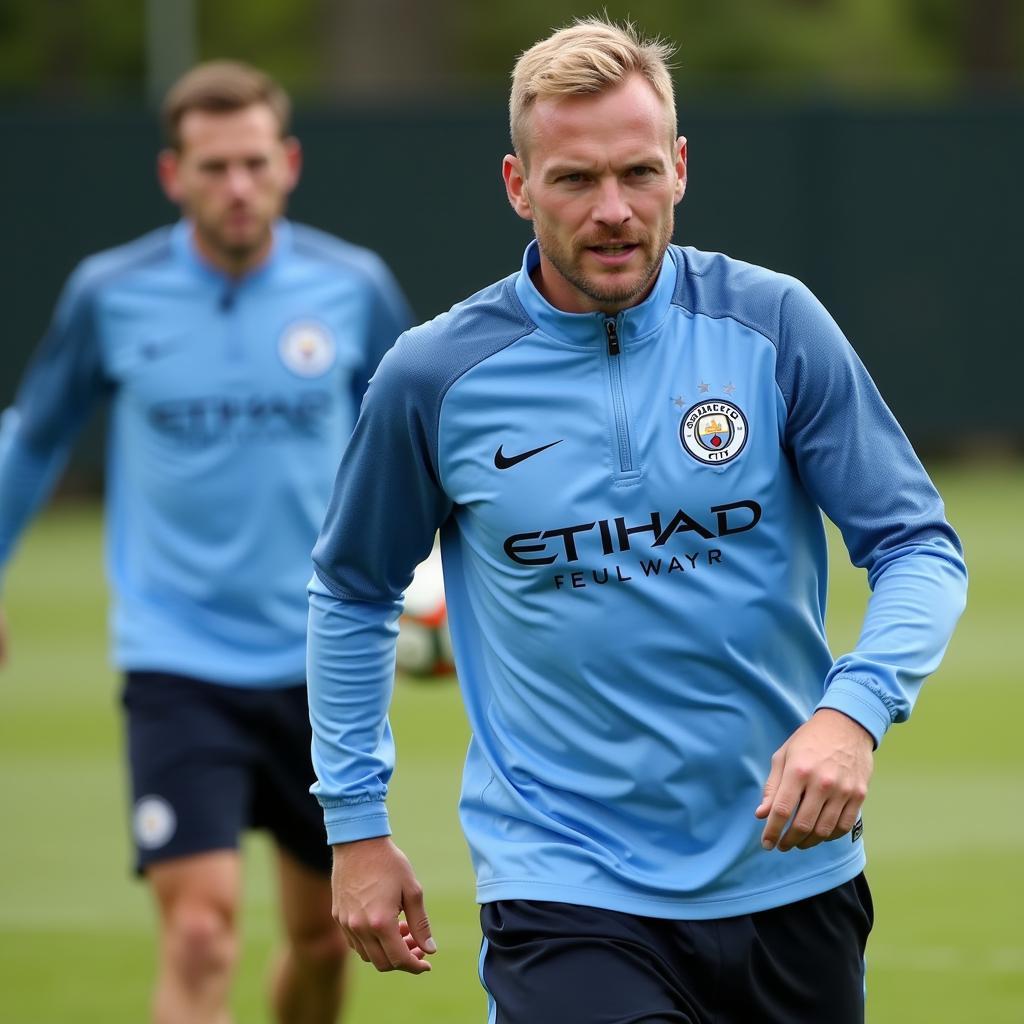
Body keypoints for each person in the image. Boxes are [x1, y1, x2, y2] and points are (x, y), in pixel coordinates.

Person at [306, 17, 967, 1024]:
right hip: (564, 881)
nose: (613, 211)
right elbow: (354, 592)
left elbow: (917, 546)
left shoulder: (773, 326)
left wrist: (852, 712)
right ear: (518, 186)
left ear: (681, 168)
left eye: (638, 174)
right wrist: (356, 826)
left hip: (788, 875)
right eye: (574, 180)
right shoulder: (434, 377)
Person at [0, 61, 412, 1024]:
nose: (236, 185)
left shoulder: (353, 289)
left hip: (322, 661)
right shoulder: (111, 294)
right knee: (199, 931)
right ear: (172, 174)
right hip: (175, 658)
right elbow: (35, 436)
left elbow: (411, 451)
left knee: (320, 941)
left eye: (254, 163)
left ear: (290, 164)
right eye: (213, 165)